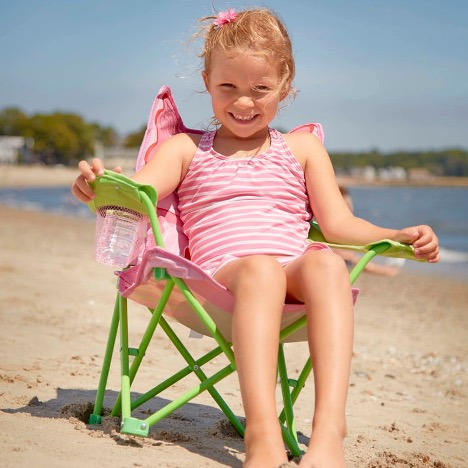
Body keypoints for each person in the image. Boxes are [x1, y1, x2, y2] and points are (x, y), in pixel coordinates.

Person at [71, 8, 439, 468]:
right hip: (217, 284)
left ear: (285, 86)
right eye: (228, 87)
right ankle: (262, 436)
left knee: (326, 261)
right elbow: (138, 192)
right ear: (207, 82)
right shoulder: (184, 150)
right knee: (262, 268)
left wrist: (397, 235)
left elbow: (341, 226)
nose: (243, 102)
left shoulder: (303, 150)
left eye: (260, 89)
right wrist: (97, 186)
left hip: (293, 273)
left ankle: (328, 435)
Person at [334, 186, 405, 276]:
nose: (351, 208)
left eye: (351, 205)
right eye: (347, 206)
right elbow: (351, 258)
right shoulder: (333, 233)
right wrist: (385, 271)